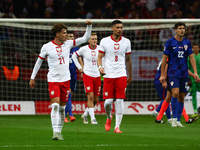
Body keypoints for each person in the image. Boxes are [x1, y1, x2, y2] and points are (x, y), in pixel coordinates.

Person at [29, 20, 92, 140]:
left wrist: (89, 26)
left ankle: (59, 131)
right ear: (57, 34)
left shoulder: (68, 44)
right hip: (53, 80)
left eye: (66, 32)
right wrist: (32, 77)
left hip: (65, 80)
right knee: (55, 106)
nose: (66, 35)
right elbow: (39, 62)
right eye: (64, 33)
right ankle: (55, 133)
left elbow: (85, 38)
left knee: (62, 109)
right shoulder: (47, 47)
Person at [159, 22, 198, 127]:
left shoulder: (187, 42)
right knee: (175, 93)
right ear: (175, 30)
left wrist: (195, 72)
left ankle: (177, 120)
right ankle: (173, 119)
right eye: (180, 28)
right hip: (173, 72)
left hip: (184, 73)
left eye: (183, 28)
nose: (182, 30)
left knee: (181, 96)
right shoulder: (170, 42)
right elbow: (164, 59)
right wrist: (163, 75)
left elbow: (191, 57)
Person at [97, 20, 132, 133]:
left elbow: (128, 60)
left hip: (121, 74)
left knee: (120, 100)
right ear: (112, 28)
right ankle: (108, 117)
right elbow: (99, 57)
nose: (120, 29)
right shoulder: (105, 41)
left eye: (121, 27)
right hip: (108, 75)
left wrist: (130, 74)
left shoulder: (126, 42)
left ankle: (117, 127)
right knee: (108, 102)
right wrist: (100, 68)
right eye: (117, 27)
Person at [72, 33, 101, 124]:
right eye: (92, 39)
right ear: (88, 40)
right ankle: (93, 118)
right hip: (87, 75)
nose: (94, 41)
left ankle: (85, 114)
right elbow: (74, 56)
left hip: (97, 75)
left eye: (95, 39)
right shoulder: (84, 49)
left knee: (96, 99)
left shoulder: (100, 49)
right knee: (90, 96)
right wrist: (80, 67)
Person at [64, 31, 79, 123]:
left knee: (70, 95)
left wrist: (82, 68)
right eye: (69, 36)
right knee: (68, 94)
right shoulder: (64, 47)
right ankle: (70, 115)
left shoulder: (76, 48)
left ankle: (65, 114)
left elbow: (80, 58)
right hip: (66, 74)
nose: (71, 38)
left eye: (73, 36)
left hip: (74, 74)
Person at [187, 43, 200, 116]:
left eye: (197, 48)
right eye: (194, 48)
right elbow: (187, 67)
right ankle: (195, 110)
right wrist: (190, 78)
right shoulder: (189, 57)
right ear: (192, 49)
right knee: (193, 93)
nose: (196, 49)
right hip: (192, 78)